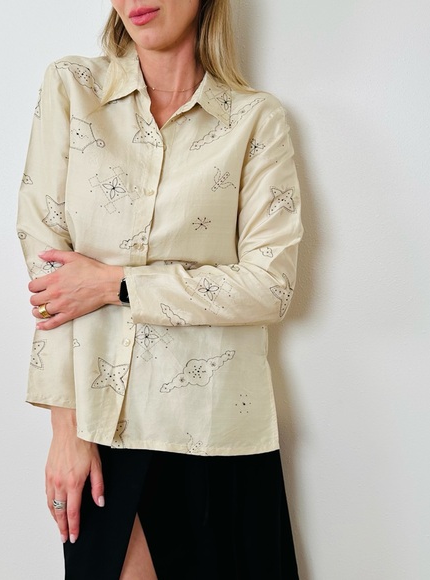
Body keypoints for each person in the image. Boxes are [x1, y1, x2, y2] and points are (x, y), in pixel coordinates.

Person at [17, 1, 303, 578]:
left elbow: (270, 286)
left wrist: (117, 285)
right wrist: (65, 431)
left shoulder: (255, 120)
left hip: (216, 430)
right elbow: (50, 277)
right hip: (102, 430)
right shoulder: (72, 89)